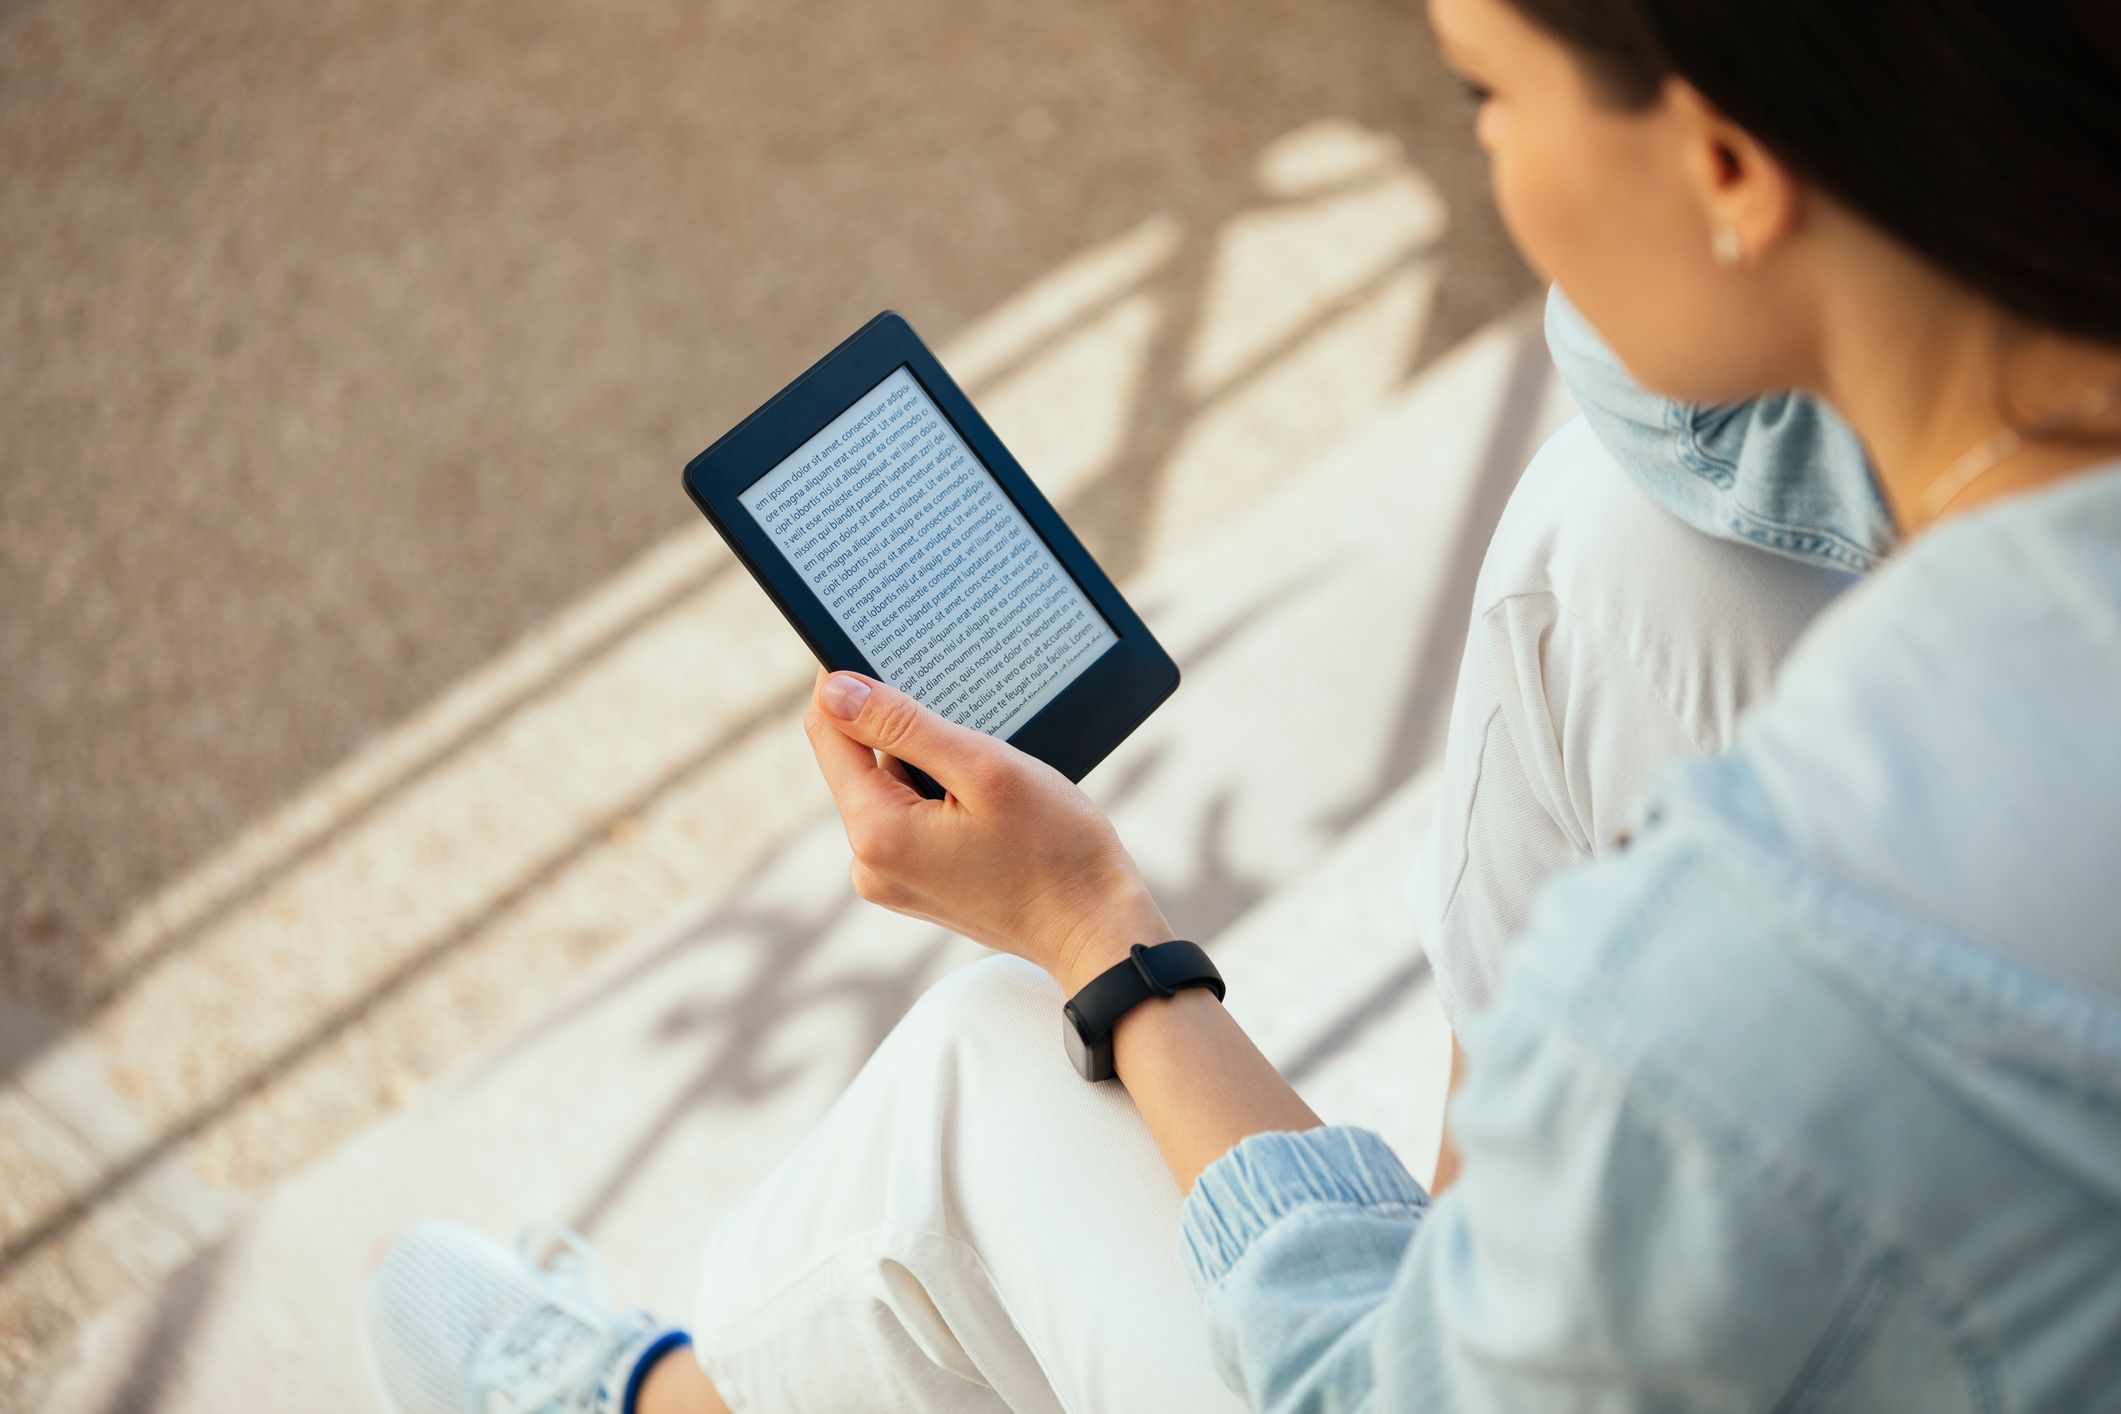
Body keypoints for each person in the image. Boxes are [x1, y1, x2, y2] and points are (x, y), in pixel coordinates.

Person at [360, 0, 2121, 1407]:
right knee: (1615, 542)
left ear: (1729, 160)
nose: (1494, 172)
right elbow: (1685, 423)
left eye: (1481, 98)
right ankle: (1486, 1228)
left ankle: (674, 1403)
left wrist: (1093, 928)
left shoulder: (1750, 961)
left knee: (986, 1091)